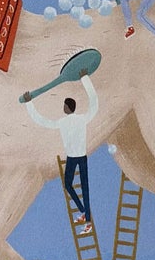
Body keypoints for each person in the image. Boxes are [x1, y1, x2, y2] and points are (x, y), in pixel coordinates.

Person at [25, 73, 99, 227]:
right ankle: (85, 214)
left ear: (68, 107)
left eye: (64, 106)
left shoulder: (65, 122)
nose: (63, 108)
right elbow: (94, 104)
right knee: (77, 186)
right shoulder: (80, 119)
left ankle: (87, 218)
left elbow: (42, 121)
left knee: (71, 185)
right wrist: (85, 79)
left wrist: (29, 103)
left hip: (75, 157)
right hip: (79, 157)